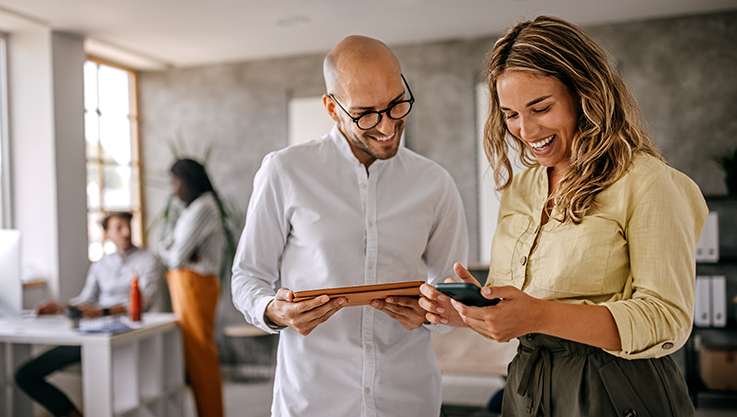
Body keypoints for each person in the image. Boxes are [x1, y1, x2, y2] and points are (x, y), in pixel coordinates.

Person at [420, 15, 708, 417]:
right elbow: (518, 307)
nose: (524, 129)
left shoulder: (647, 182)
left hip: (616, 390)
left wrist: (539, 314)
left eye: (540, 107)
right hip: (527, 390)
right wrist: (469, 314)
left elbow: (666, 320)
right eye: (510, 114)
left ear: (584, 94)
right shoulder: (521, 189)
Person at [231, 35, 469, 416]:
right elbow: (247, 277)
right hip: (313, 399)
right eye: (366, 113)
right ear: (332, 107)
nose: (387, 125)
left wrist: (434, 313)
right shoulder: (285, 171)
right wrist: (275, 311)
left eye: (396, 105)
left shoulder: (435, 183)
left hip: (408, 397)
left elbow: (452, 291)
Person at [15, 212, 158, 417]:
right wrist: (60, 307)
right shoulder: (100, 264)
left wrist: (102, 312)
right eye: (119, 227)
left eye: (128, 226)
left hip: (127, 336)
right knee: (25, 375)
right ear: (107, 233)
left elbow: (143, 303)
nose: (126, 232)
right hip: (94, 335)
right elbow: (85, 300)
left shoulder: (147, 259)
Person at [158, 158, 225, 417]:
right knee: (194, 356)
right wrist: (175, 249)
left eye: (175, 181)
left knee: (201, 356)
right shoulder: (190, 208)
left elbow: (174, 256)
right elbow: (166, 245)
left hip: (195, 286)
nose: (173, 188)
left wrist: (175, 250)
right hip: (186, 285)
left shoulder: (203, 207)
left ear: (187, 180)